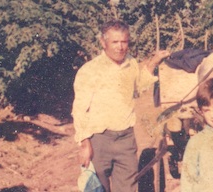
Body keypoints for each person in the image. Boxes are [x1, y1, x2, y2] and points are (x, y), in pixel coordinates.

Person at [72, 19, 171, 192]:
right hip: (99, 140)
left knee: (127, 188)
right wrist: (85, 144)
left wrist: (154, 62)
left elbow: (139, 87)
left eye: (124, 42)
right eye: (114, 42)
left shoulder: (131, 63)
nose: (120, 47)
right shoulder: (90, 70)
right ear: (103, 43)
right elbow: (79, 110)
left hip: (126, 140)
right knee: (98, 188)